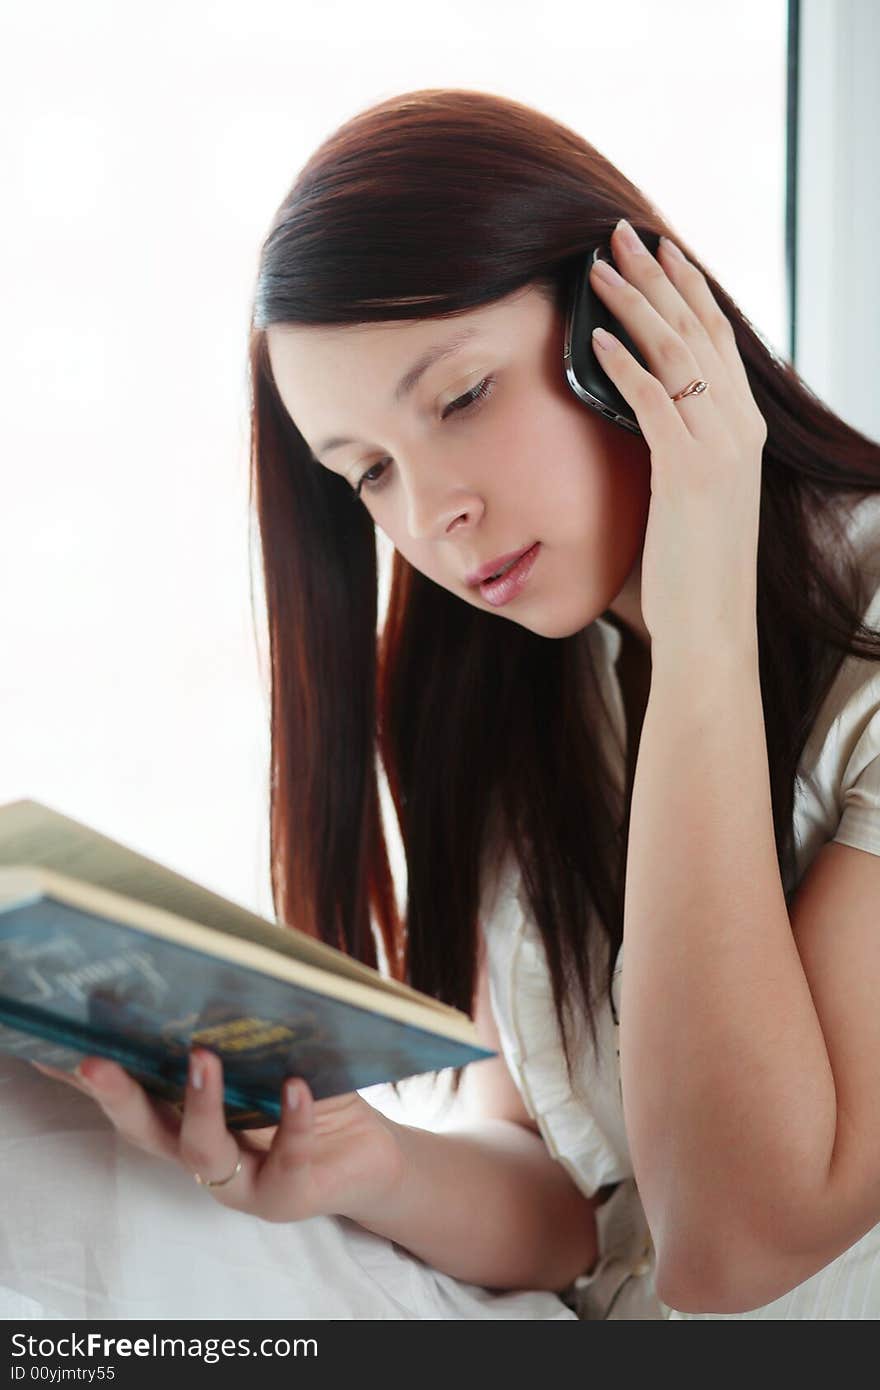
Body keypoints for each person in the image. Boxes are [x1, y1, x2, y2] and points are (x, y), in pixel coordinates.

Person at [5, 86, 880, 1321]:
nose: (428, 519)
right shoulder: (529, 680)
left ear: (628, 326)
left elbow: (730, 1247)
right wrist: (370, 1162)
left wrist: (700, 635)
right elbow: (576, 1202)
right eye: (368, 473)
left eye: (461, 399)